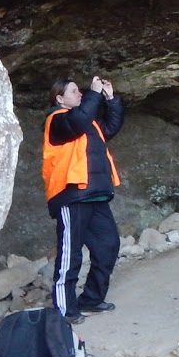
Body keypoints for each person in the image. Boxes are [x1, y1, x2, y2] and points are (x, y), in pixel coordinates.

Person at [43, 75, 126, 322]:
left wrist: (110, 99)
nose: (79, 94)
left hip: (95, 195)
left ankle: (91, 299)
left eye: (81, 92)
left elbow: (110, 127)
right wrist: (93, 94)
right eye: (73, 91)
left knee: (108, 246)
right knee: (71, 254)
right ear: (60, 98)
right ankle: (64, 310)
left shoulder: (87, 123)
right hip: (72, 195)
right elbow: (77, 121)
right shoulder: (57, 120)